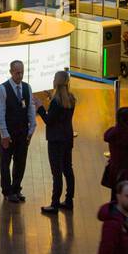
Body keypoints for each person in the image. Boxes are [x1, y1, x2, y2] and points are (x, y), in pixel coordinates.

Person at [36, 70, 76, 214]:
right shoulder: (71, 98)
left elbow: (49, 120)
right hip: (67, 138)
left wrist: (40, 107)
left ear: (56, 82)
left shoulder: (56, 102)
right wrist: (50, 97)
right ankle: (69, 200)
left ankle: (54, 204)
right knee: (68, 170)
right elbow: (61, 115)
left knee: (56, 173)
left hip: (55, 140)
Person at [0, 59, 35, 203]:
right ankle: (7, 191)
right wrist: (4, 134)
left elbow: (31, 109)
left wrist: (32, 129)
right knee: (5, 163)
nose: (20, 75)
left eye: (22, 72)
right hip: (8, 133)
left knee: (20, 162)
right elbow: (0, 114)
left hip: (23, 133)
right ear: (11, 72)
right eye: (17, 73)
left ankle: (16, 188)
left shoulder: (27, 88)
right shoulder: (2, 89)